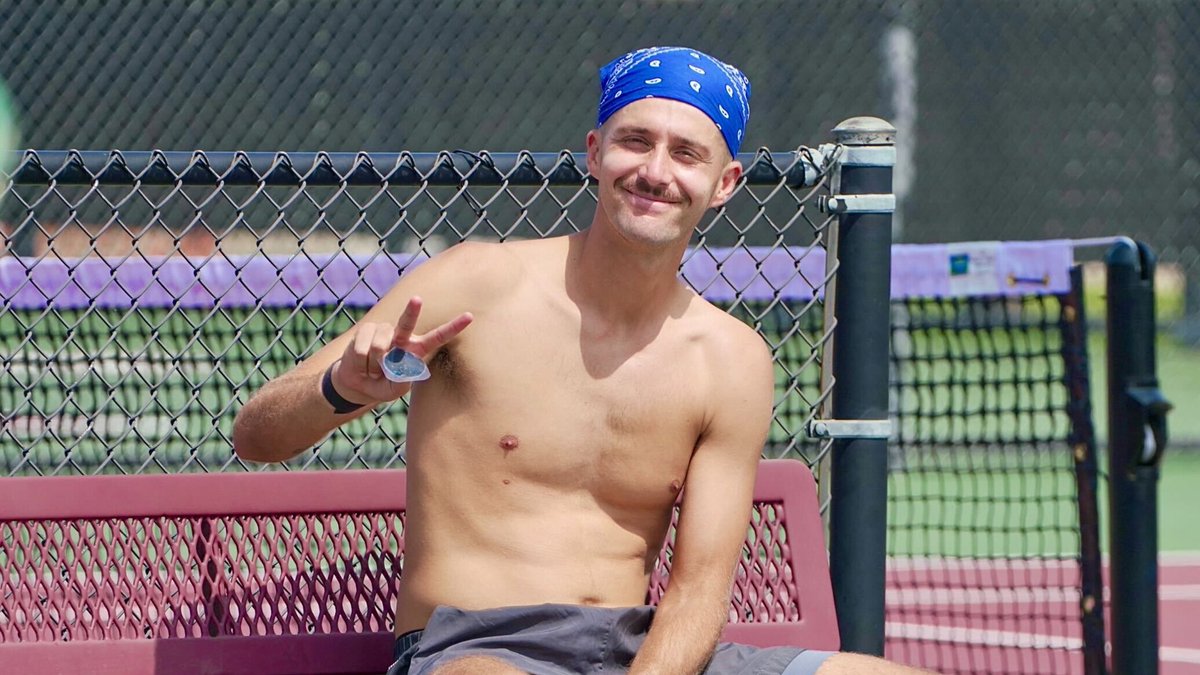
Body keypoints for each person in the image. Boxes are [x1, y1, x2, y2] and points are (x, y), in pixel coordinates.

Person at [234, 46, 926, 675]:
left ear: (724, 183)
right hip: (477, 653)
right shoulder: (476, 283)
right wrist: (339, 388)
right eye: (634, 142)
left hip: (642, 652)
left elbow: (697, 593)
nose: (656, 171)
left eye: (686, 153)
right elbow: (254, 435)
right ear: (594, 153)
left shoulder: (731, 358)